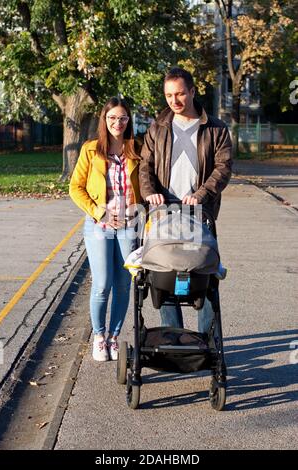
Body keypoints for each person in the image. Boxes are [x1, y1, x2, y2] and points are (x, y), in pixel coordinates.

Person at [139, 67, 232, 333]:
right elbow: (145, 166)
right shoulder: (157, 128)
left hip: (199, 213)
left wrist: (201, 195)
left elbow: (223, 168)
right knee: (163, 273)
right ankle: (174, 336)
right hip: (163, 213)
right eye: (169, 95)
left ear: (192, 91)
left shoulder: (215, 128)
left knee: (203, 274)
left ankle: (206, 341)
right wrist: (149, 194)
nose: (174, 101)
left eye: (180, 93)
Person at [69, 97, 141, 361]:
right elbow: (75, 188)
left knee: (124, 284)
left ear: (128, 120)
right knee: (102, 283)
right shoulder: (91, 149)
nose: (117, 123)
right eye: (112, 118)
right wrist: (99, 211)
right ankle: (98, 337)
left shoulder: (137, 148)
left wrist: (139, 208)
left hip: (128, 225)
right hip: (99, 224)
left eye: (122, 118)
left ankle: (113, 337)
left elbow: (144, 185)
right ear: (104, 120)